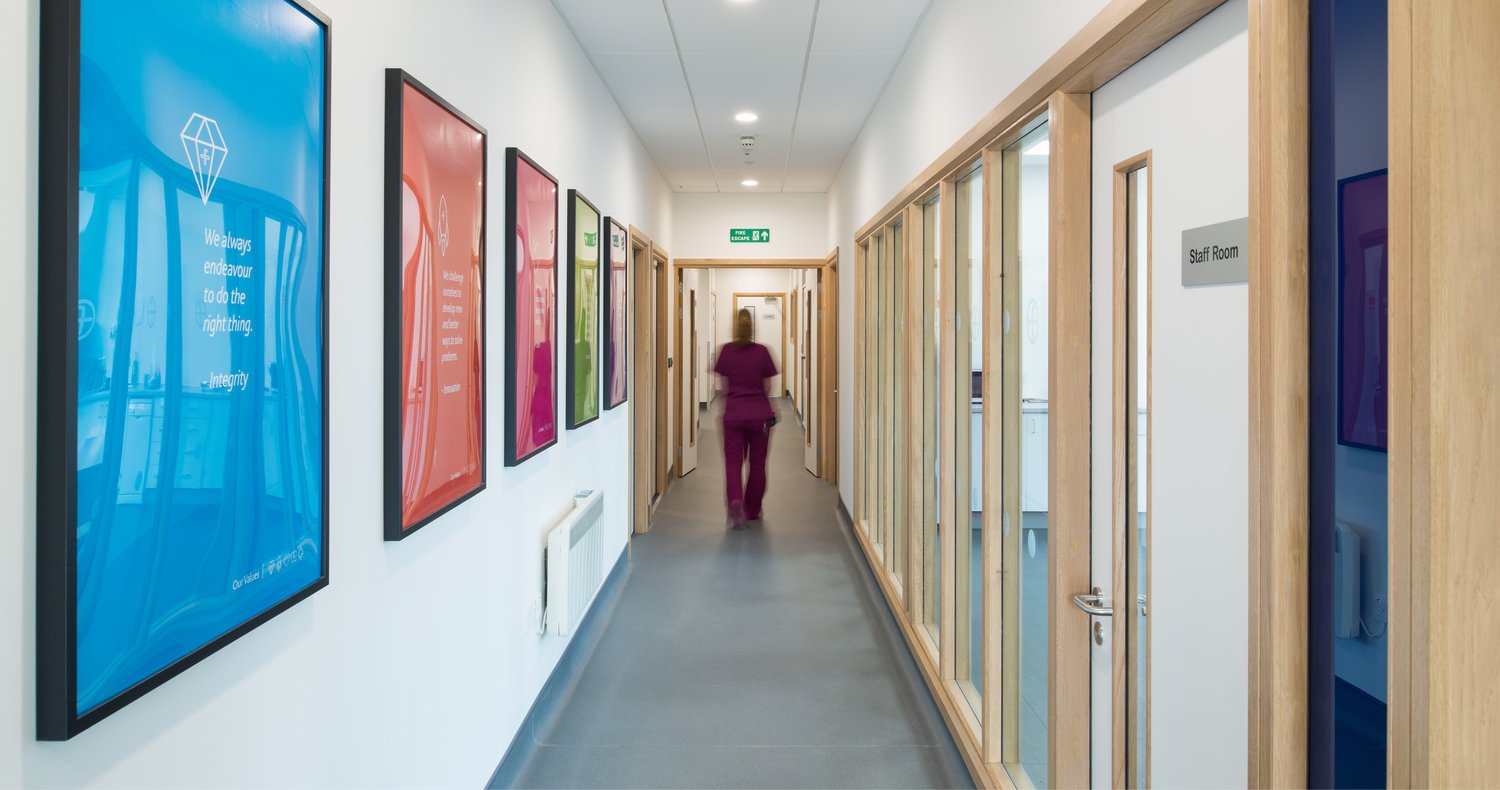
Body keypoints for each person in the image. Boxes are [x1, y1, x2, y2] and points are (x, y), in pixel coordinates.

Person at [714, 308, 778, 529]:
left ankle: (735, 502)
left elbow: (723, 388)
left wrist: (735, 399)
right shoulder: (762, 351)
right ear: (752, 327)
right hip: (759, 415)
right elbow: (768, 386)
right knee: (758, 464)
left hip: (733, 415)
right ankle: (753, 509)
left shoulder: (725, 351)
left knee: (733, 463)